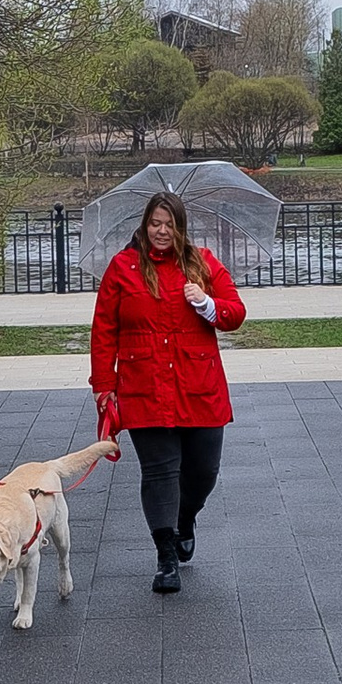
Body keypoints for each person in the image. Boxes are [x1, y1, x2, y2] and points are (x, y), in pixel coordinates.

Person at [89, 189, 247, 594]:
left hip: (200, 387)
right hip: (143, 387)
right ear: (144, 225)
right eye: (154, 224)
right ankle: (165, 558)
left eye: (169, 225)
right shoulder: (123, 268)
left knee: (203, 473)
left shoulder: (203, 263)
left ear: (181, 228)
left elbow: (235, 314)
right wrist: (104, 386)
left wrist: (208, 303)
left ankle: (186, 517)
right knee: (159, 473)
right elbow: (103, 330)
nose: (161, 232)